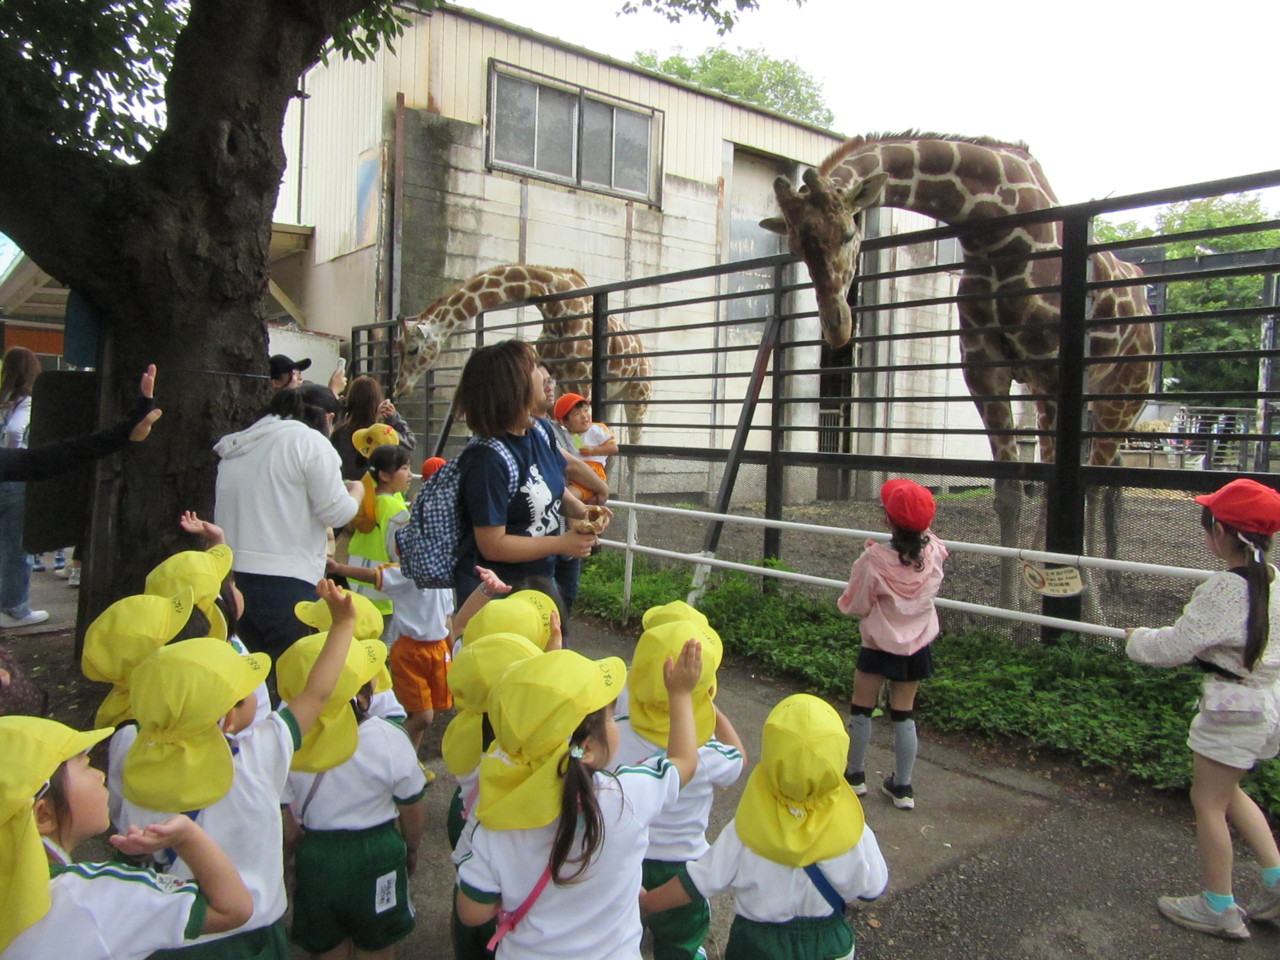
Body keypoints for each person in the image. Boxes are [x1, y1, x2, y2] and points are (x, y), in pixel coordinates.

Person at [115, 579, 357, 959]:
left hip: (179, 935)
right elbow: (317, 693)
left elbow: (139, 857)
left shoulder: (137, 771)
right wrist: (343, 625)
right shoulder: (260, 753)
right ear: (228, 718)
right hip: (255, 933)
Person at [455, 642, 702, 959]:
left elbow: (473, 913)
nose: (615, 721)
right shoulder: (626, 796)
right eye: (610, 716)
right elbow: (685, 762)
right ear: (586, 748)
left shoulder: (497, 820)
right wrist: (680, 694)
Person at [1125, 478, 1280, 940]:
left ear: (1220, 531)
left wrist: (1137, 639)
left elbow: (1174, 646)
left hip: (1231, 709)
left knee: (1208, 802)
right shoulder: (1272, 580)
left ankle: (1218, 905)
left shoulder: (1226, 589)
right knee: (1228, 792)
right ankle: (1276, 880)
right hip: (1264, 704)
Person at [640, 694, 889, 960]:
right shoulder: (854, 830)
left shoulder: (746, 829)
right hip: (829, 944)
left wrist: (647, 901)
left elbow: (699, 881)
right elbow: (873, 889)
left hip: (757, 945)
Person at [0, 715, 253, 960]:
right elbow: (232, 909)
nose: (100, 775)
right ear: (44, 815)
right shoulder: (96, 898)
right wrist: (187, 837)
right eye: (85, 766)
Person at [277, 633, 427, 959]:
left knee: (327, 945)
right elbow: (411, 804)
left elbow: (285, 818)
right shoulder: (388, 737)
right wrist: (412, 848)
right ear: (363, 691)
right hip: (377, 852)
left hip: (317, 854)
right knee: (377, 944)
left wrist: (293, 858)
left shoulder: (285, 743)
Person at [611, 615, 745, 960]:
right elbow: (739, 759)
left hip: (625, 859)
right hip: (681, 870)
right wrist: (712, 710)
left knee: (621, 931)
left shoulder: (612, 735)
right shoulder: (708, 752)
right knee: (681, 939)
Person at [213, 385, 362, 659]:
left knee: (246, 675)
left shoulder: (239, 444)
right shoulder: (311, 442)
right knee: (291, 673)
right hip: (288, 582)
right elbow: (336, 512)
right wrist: (357, 493)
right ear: (329, 418)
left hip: (231, 580)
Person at [450, 340, 600, 607]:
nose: (543, 374)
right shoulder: (487, 458)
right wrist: (560, 544)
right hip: (496, 596)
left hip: (537, 581)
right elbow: (492, 545)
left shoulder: (539, 430)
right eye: (532, 367)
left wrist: (582, 511)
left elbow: (549, 486)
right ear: (512, 386)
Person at [330, 448, 453, 753]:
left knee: (426, 712)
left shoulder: (377, 501)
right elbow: (382, 572)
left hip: (429, 643)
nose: (410, 474)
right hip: (402, 635)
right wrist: (339, 569)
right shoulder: (409, 561)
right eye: (404, 468)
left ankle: (407, 759)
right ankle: (386, 750)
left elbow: (447, 615)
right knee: (419, 712)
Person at [837, 478, 947, 810]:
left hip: (877, 645)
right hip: (917, 646)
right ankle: (903, 786)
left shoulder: (873, 560)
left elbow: (855, 604)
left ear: (886, 519)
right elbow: (928, 540)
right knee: (904, 713)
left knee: (861, 707)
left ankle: (854, 776)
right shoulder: (934, 553)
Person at [532, 362, 608, 627]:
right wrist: (600, 487)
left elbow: (575, 462)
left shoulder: (557, 431)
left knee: (565, 605)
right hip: (544, 543)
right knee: (547, 613)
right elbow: (567, 468)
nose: (549, 387)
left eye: (550, 380)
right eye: (542, 381)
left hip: (566, 539)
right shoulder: (529, 432)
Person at [0, 347, 46, 627]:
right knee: (16, 545)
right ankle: (14, 608)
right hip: (15, 478)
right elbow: (16, 431)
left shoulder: (3, 399)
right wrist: (15, 452)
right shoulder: (28, 402)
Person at [332, 376, 416, 482]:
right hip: (376, 488)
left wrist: (341, 406)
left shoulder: (339, 433)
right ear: (377, 401)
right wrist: (394, 419)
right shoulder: (382, 435)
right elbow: (410, 443)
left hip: (346, 487)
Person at [553, 393, 618, 502]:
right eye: (577, 413)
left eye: (586, 410)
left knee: (566, 498)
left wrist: (594, 450)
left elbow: (613, 448)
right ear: (565, 422)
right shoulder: (566, 434)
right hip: (574, 475)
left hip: (593, 473)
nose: (584, 416)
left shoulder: (596, 429)